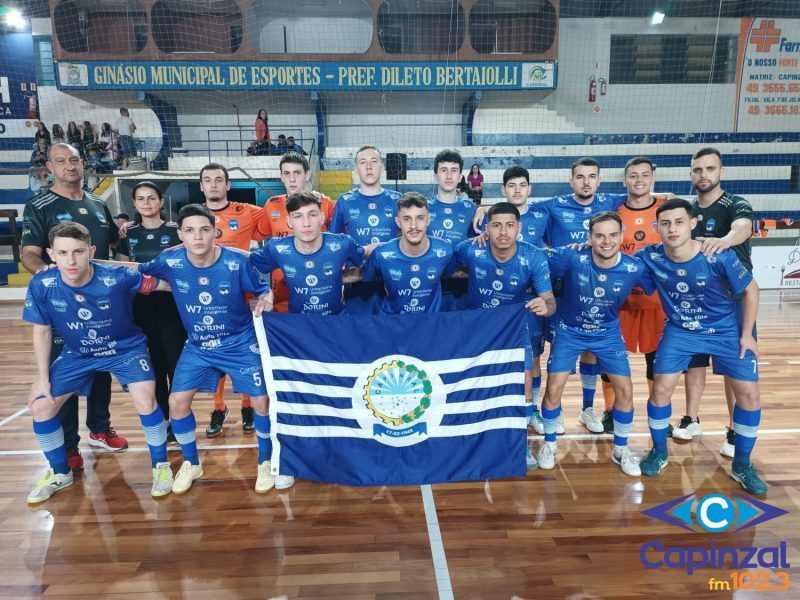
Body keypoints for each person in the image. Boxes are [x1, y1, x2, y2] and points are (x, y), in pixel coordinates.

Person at [23, 221, 172, 503]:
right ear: (51, 254)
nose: (71, 260)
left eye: (78, 252)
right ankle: (59, 472)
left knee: (145, 401)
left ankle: (161, 467)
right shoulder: (42, 284)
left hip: (126, 349)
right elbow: (41, 330)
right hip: (78, 353)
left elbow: (164, 284)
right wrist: (42, 378)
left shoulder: (117, 277)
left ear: (91, 250)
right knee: (41, 406)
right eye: (63, 253)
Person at [138, 203, 279, 494]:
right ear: (180, 235)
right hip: (198, 346)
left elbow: (263, 289)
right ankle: (192, 462)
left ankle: (266, 461)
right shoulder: (170, 259)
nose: (197, 237)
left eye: (204, 230)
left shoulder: (238, 261)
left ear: (215, 232)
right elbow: (139, 274)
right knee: (177, 403)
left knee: (261, 401)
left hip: (239, 342)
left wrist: (265, 297)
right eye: (189, 231)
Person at [636, 198, 766, 497]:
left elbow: (751, 289)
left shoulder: (718, 254)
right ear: (656, 228)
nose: (672, 229)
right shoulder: (650, 257)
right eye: (665, 223)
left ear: (692, 224)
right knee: (661, 389)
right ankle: (659, 452)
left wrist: (747, 335)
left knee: (749, 394)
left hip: (724, 331)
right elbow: (615, 262)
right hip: (680, 331)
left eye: (679, 222)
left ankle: (742, 464)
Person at [21, 143, 126, 473]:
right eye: (61, 161)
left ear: (84, 164)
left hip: (101, 303)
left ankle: (99, 428)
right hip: (63, 307)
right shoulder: (40, 204)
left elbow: (114, 247)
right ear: (49, 167)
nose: (70, 166)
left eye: (75, 160)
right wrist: (47, 277)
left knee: (100, 366)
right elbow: (29, 253)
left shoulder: (97, 203)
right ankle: (68, 446)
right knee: (62, 375)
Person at [537, 212, 646, 476]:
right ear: (589, 238)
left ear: (621, 236)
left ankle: (621, 448)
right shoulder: (572, 256)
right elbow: (532, 255)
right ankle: (549, 444)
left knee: (626, 391)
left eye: (612, 235)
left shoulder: (635, 267)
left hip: (607, 334)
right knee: (554, 389)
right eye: (599, 236)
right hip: (569, 331)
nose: (606, 241)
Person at [454, 202, 556, 468]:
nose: (503, 232)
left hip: (511, 328)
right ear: (487, 229)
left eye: (510, 225)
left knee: (523, 380)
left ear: (519, 228)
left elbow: (549, 299)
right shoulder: (470, 250)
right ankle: (470, 438)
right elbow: (445, 264)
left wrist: (547, 306)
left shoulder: (533, 256)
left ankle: (519, 443)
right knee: (471, 384)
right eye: (496, 225)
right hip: (475, 327)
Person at [678, 148, 756, 456]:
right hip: (697, 301)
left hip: (732, 302)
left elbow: (744, 227)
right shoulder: (688, 209)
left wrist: (724, 241)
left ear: (720, 172)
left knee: (734, 369)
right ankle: (691, 417)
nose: (703, 175)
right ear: (691, 174)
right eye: (698, 170)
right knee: (694, 363)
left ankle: (735, 430)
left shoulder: (735, 205)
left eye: (710, 169)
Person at [197, 162, 267, 437]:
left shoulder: (246, 211)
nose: (213, 185)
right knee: (214, 354)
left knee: (247, 354)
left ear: (227, 185)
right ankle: (218, 407)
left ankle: (248, 406)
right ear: (201, 186)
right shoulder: (193, 217)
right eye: (207, 180)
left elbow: (279, 218)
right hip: (204, 298)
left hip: (242, 296)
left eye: (218, 180)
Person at [599, 157, 667, 433]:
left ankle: (657, 412)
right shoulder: (613, 211)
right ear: (624, 180)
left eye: (644, 175)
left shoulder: (666, 209)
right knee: (612, 359)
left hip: (657, 301)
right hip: (621, 301)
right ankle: (609, 411)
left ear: (652, 178)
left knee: (658, 361)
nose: (639, 180)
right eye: (633, 176)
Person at [115, 182, 186, 445]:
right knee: (153, 366)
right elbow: (122, 271)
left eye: (151, 198)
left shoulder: (176, 232)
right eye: (141, 199)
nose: (146, 203)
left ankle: (180, 417)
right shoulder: (128, 234)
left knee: (175, 363)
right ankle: (165, 420)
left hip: (172, 306)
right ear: (135, 204)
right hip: (141, 308)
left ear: (160, 202)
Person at [251, 191, 365, 316]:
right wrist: (264, 291)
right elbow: (245, 261)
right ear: (289, 221)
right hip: (300, 323)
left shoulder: (342, 243)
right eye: (298, 216)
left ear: (321, 218)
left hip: (337, 321)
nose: (306, 223)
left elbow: (369, 254)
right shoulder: (277, 247)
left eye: (312, 215)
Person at [499, 166, 551, 432]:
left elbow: (553, 250)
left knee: (534, 359)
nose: (517, 190)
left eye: (522, 185)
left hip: (532, 302)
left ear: (530, 189)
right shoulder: (493, 217)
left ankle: (533, 411)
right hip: (501, 302)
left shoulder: (544, 215)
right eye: (512, 185)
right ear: (503, 190)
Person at [255, 152, 335, 312]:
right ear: (281, 177)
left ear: (307, 174)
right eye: (287, 173)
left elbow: (336, 242)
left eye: (297, 173)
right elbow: (261, 235)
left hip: (317, 285)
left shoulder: (325, 204)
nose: (292, 179)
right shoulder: (271, 205)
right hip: (281, 289)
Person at [329, 145, 401, 313]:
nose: (368, 166)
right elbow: (333, 245)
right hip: (355, 284)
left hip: (392, 283)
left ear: (382, 167)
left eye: (373, 161)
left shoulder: (398, 200)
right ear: (356, 169)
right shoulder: (344, 201)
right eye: (363, 162)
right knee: (357, 336)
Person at [361, 192, 455, 314]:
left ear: (428, 219)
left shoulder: (446, 250)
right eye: (406, 219)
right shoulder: (381, 254)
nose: (413, 226)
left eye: (420, 218)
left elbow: (450, 273)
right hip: (392, 322)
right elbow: (366, 277)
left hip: (430, 324)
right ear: (398, 222)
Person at [428, 149, 477, 310]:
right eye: (444, 170)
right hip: (429, 285)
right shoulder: (423, 208)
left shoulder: (471, 209)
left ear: (460, 177)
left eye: (454, 170)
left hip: (462, 287)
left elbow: (477, 245)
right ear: (435, 176)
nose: (449, 176)